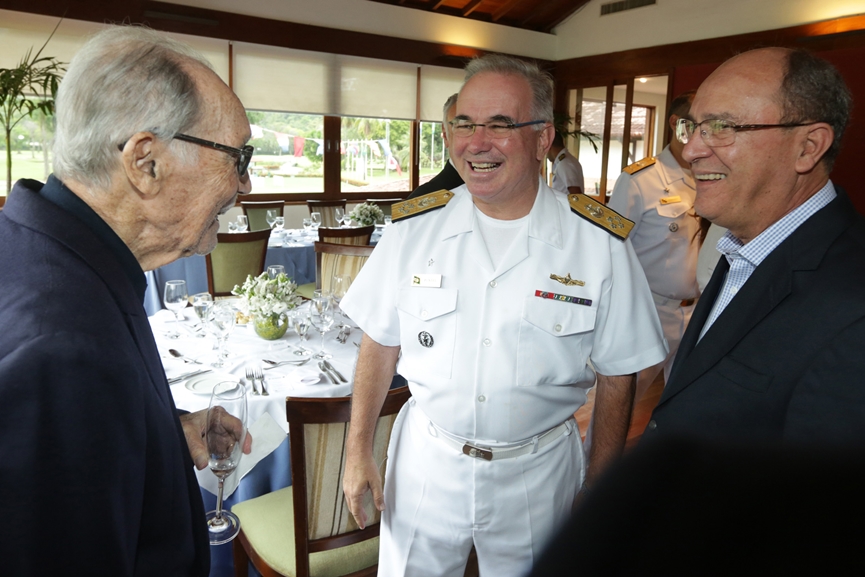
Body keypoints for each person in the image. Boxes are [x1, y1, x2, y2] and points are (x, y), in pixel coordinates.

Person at [341, 54, 666, 577]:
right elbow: (379, 341)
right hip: (427, 462)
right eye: (464, 124)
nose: (477, 142)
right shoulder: (413, 229)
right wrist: (357, 450)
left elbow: (619, 373)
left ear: (542, 139)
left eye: (499, 125)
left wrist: (600, 486)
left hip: (538, 473)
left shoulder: (597, 243)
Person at [0, 26, 252, 574]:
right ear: (146, 162)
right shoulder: (62, 350)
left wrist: (162, 432)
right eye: (238, 157)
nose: (245, 186)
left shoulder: (54, 253)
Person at [644, 47, 865, 444]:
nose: (691, 150)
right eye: (693, 127)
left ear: (808, 147)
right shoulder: (744, 246)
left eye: (722, 126)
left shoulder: (852, 303)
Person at [607, 91, 704, 401]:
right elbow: (609, 248)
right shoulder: (640, 179)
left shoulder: (713, 177)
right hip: (650, 312)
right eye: (697, 123)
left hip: (698, 311)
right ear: (676, 123)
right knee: (621, 403)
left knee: (683, 402)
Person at [407, 93, 464, 199]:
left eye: (494, 126)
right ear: (445, 135)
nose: (478, 142)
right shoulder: (423, 200)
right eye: (464, 127)